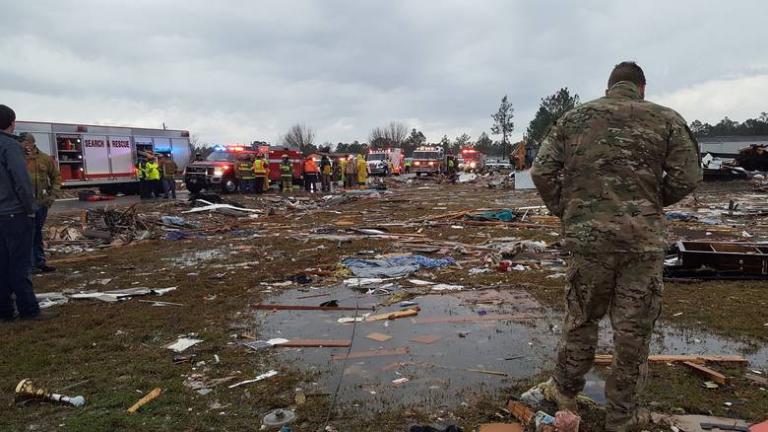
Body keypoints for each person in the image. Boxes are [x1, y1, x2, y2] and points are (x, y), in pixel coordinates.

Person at [529, 62, 702, 432]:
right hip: (641, 243)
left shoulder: (575, 118)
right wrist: (650, 201)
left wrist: (568, 209)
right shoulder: (667, 119)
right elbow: (689, 175)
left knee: (580, 320)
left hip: (589, 243)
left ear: (609, 87)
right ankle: (621, 416)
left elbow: (541, 171)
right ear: (642, 88)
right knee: (633, 333)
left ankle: (565, 392)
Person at [0, 105, 41, 321]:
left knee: (2, 264)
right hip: (14, 215)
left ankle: (4, 311)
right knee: (20, 264)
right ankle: (29, 309)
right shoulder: (9, 146)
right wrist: (30, 209)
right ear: (11, 122)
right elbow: (21, 181)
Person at [19, 133, 60, 273]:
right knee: (27, 234)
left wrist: (52, 196)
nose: (24, 145)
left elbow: (56, 177)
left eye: (25, 142)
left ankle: (39, 262)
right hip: (23, 205)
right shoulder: (17, 159)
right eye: (22, 143)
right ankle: (29, 265)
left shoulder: (44, 159)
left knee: (37, 233)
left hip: (41, 204)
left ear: (32, 142)